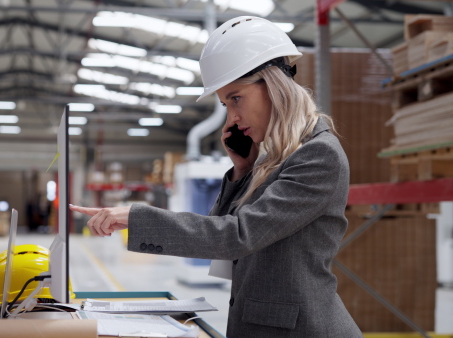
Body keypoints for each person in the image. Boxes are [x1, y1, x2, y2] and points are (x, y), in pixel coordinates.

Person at [70, 16, 363, 337]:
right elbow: (222, 235)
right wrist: (242, 169)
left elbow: (235, 237)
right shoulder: (275, 156)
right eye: (225, 103)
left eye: (236, 98)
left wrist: (136, 218)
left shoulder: (318, 155)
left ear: (275, 85)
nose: (232, 118)